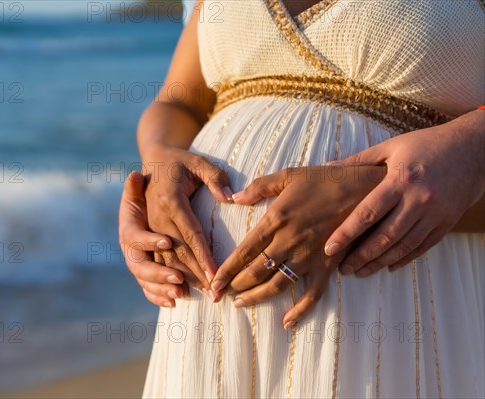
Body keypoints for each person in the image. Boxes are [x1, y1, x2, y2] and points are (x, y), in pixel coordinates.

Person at [118, 0, 485, 397]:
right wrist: (155, 171)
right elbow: (180, 102)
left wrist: (455, 155)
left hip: (386, 289)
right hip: (203, 306)